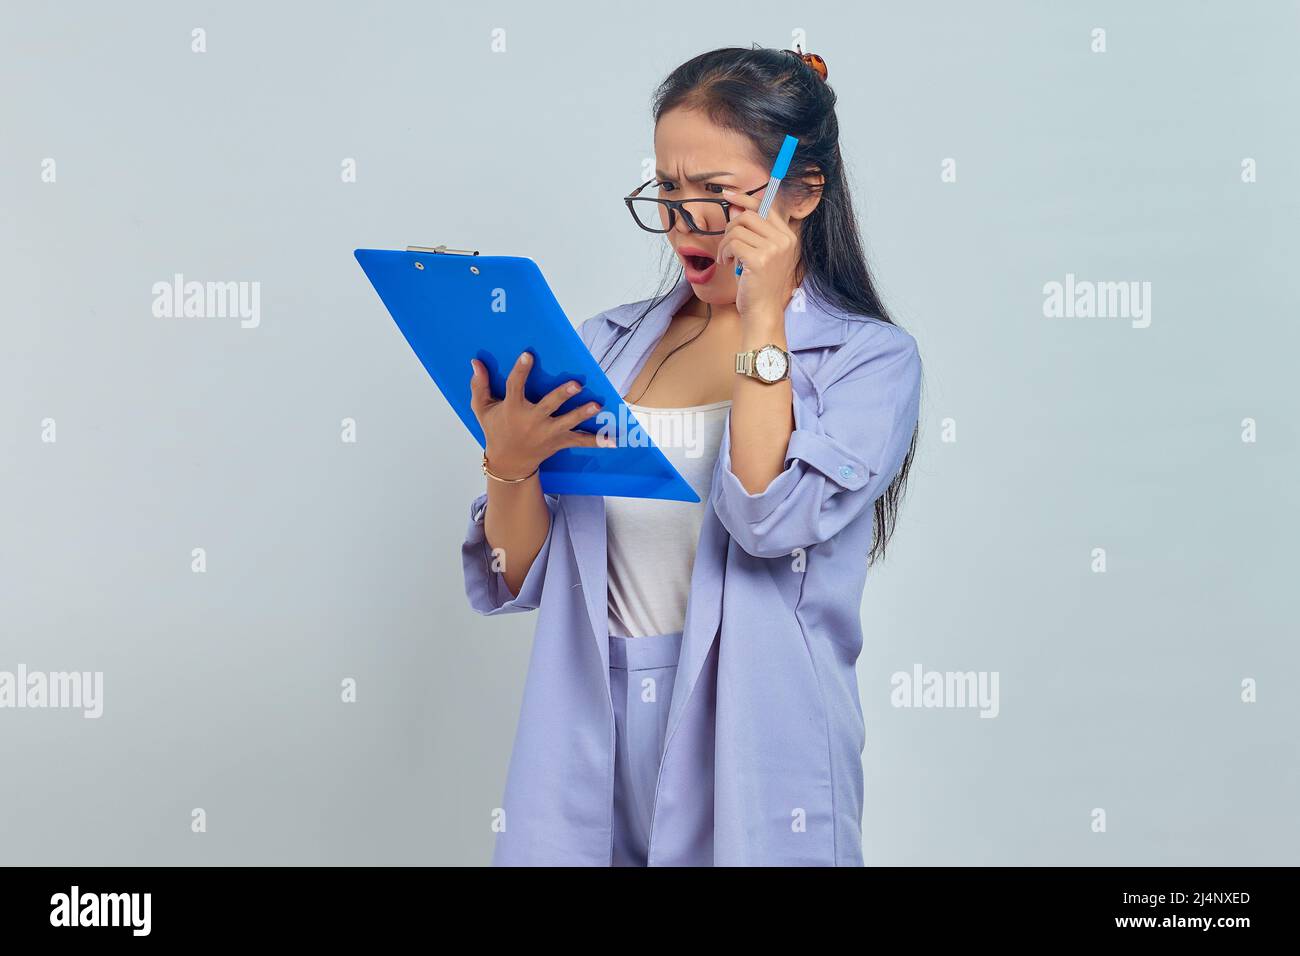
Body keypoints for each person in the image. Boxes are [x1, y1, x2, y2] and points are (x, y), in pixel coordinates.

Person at [462, 45, 922, 866]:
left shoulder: (868, 363)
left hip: (755, 734)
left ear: (801, 192)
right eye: (669, 192)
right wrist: (510, 465)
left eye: (716, 196)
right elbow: (518, 576)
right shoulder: (603, 347)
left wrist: (764, 319)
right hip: (591, 724)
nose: (684, 223)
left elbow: (764, 515)